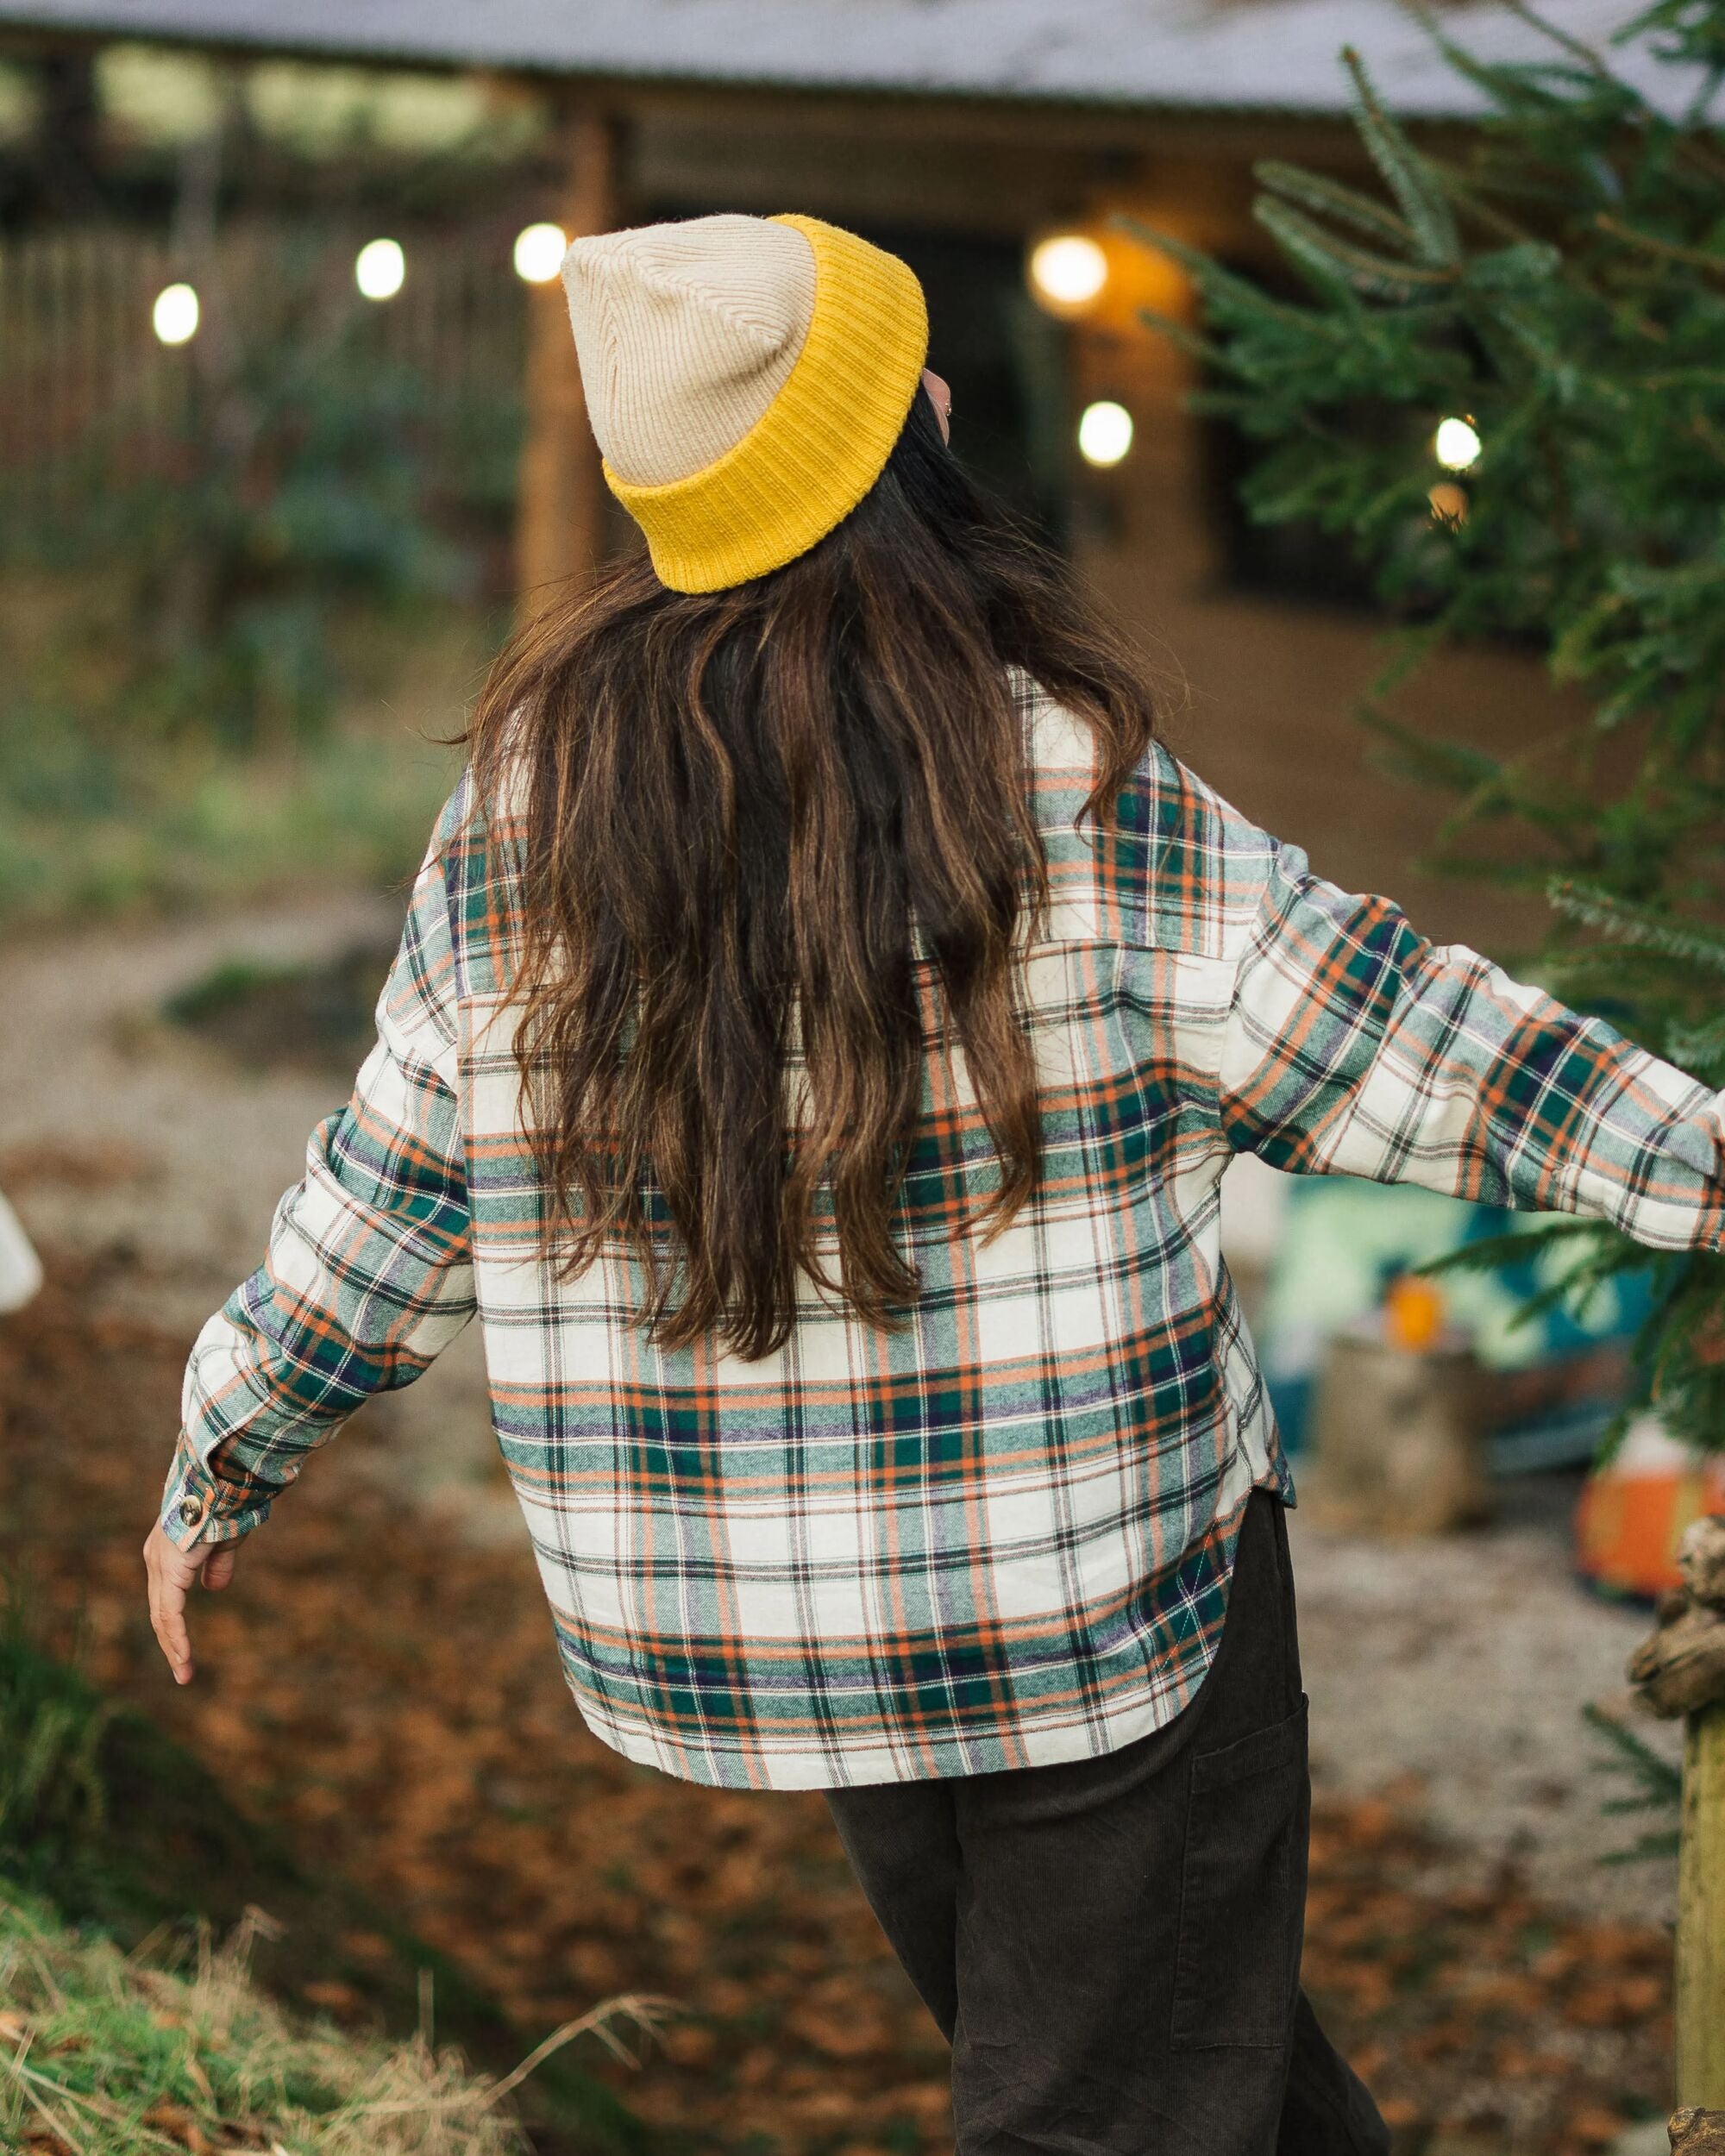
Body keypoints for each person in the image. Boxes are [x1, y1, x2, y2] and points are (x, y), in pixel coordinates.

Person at [141, 213, 1725, 2155]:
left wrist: (223, 1449)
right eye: (906, 376)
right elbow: (1420, 1041)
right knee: (1104, 2103)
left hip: (783, 1623)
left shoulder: (531, 796)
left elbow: (387, 1192)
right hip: (1086, 1604)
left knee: (1169, 2054)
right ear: (897, 444)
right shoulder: (1054, 777)